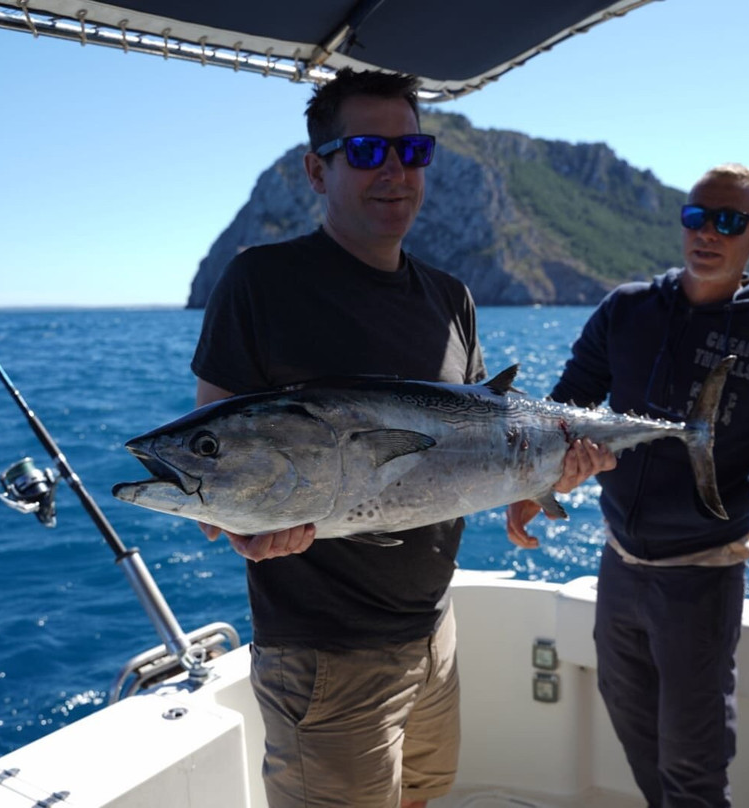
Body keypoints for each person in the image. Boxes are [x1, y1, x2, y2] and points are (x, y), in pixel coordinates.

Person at [191, 68, 609, 808]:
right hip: (324, 649)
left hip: (430, 626)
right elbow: (218, 454)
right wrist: (244, 531)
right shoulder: (261, 282)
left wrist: (532, 486)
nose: (394, 171)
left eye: (411, 152)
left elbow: (484, 441)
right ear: (317, 169)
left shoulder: (451, 298)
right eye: (367, 150)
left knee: (422, 794)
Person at [507, 164, 749, 808]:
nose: (707, 233)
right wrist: (539, 482)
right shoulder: (627, 309)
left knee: (693, 765)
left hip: (702, 578)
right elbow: (567, 409)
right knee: (633, 732)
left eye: (728, 222)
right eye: (696, 217)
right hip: (620, 565)